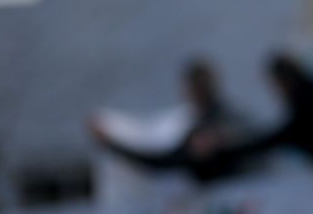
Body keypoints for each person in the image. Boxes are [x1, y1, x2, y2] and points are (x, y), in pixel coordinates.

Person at [88, 58, 251, 182]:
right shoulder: (197, 128)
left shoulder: (229, 119)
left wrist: (225, 138)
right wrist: (112, 145)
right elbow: (159, 162)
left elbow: (159, 162)